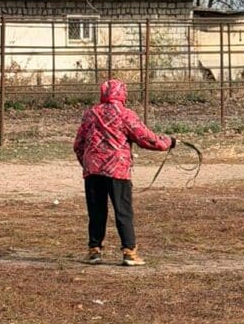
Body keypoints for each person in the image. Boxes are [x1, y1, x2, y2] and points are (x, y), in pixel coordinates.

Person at [73, 79, 175, 266]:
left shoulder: (90, 114)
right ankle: (129, 252)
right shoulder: (125, 115)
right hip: (117, 170)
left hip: (93, 170)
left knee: (96, 211)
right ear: (122, 94)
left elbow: (78, 144)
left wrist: (87, 163)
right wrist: (167, 142)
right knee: (123, 211)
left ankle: (94, 251)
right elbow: (146, 138)